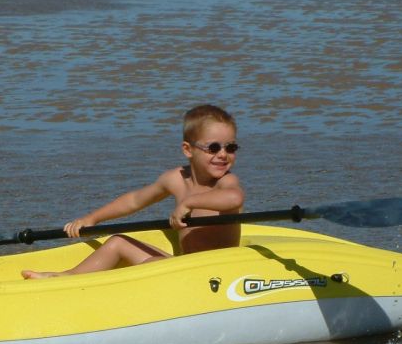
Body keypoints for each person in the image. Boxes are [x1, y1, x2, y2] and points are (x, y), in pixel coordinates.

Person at [22, 104, 245, 279]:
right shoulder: (175, 179)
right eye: (213, 148)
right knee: (118, 242)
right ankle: (69, 277)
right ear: (188, 150)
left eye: (231, 147)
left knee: (151, 266)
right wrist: (92, 218)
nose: (223, 154)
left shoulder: (226, 182)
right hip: (185, 265)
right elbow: (134, 201)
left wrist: (189, 203)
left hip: (216, 272)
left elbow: (234, 198)